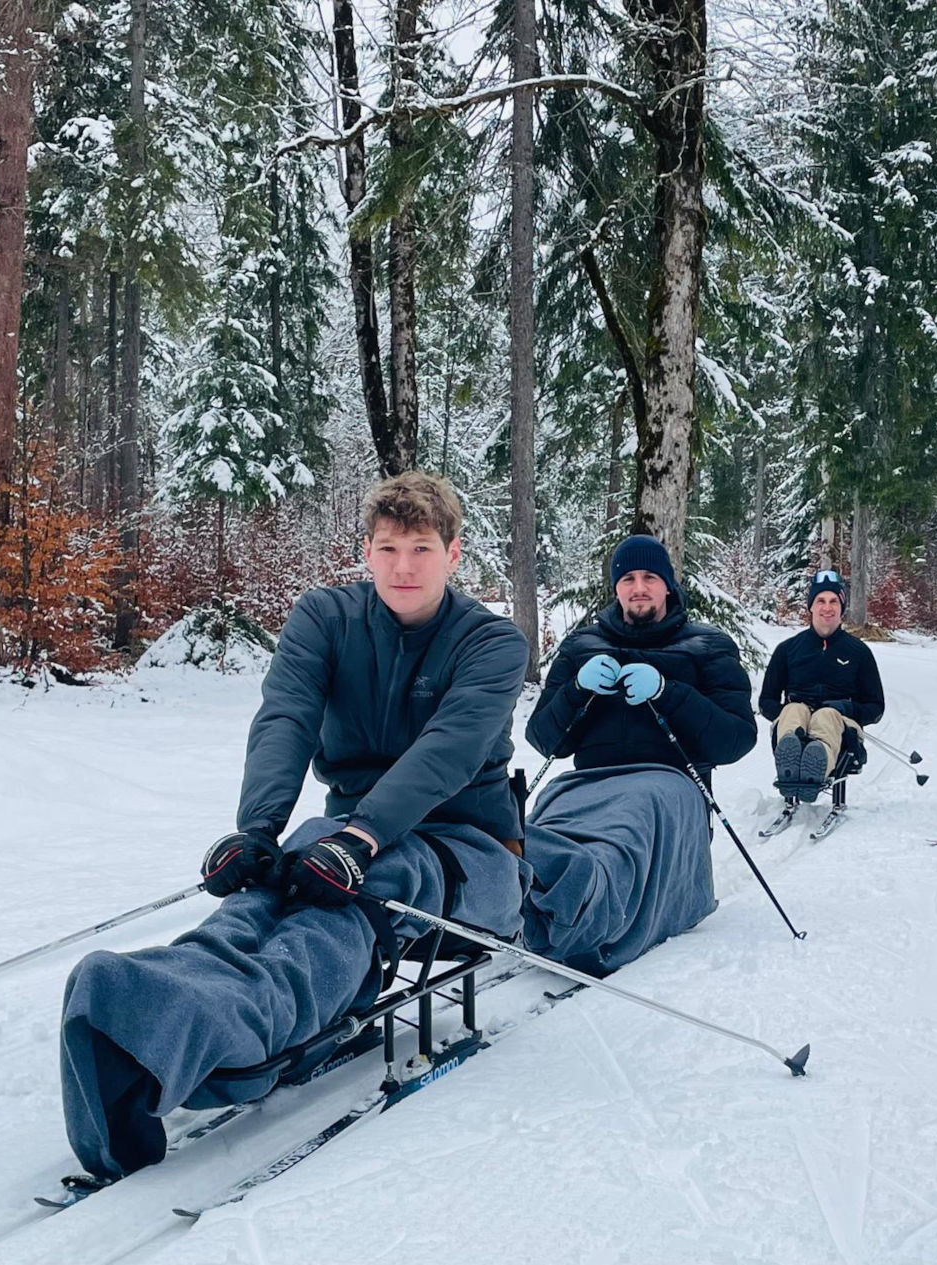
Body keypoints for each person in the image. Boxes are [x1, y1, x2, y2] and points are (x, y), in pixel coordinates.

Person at [59, 472, 529, 1182]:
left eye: (423, 548)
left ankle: (238, 1027)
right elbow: (285, 717)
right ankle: (149, 1005)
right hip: (346, 838)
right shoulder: (325, 619)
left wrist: (362, 837)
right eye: (390, 547)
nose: (405, 566)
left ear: (454, 554)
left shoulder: (492, 642)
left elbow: (450, 751)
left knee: (367, 885)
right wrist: (256, 831)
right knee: (274, 885)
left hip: (470, 848)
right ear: (365, 552)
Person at [521, 534, 757, 972]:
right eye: (628, 578)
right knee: (550, 819)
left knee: (623, 835)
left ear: (668, 585)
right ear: (616, 588)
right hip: (586, 784)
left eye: (650, 576)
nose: (639, 587)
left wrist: (670, 692)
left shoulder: (708, 646)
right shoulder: (582, 647)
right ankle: (521, 872)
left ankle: (582, 898)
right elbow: (544, 739)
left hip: (668, 785)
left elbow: (737, 739)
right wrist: (576, 690)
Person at [758, 570, 885, 802]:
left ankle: (815, 765)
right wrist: (790, 712)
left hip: (841, 726)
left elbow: (876, 707)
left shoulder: (858, 652)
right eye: (821, 601)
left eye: (834, 601)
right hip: (795, 723)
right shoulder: (788, 650)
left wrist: (846, 709)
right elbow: (766, 701)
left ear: (841, 607)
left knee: (826, 716)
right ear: (811, 606)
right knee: (794, 710)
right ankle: (791, 756)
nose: (827, 608)